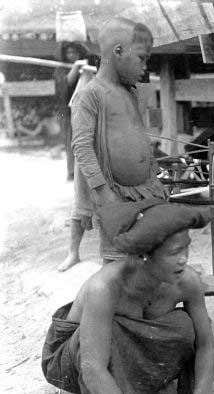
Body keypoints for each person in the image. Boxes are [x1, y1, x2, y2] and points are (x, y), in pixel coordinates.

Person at [43, 200, 214, 394]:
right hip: (75, 357)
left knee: (184, 325)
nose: (183, 260)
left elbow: (205, 344)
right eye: (173, 253)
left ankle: (140, 392)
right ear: (144, 256)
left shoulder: (187, 281)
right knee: (105, 332)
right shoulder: (104, 288)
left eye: (186, 249)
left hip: (126, 346)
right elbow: (92, 368)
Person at [58, 17, 168, 272]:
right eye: (142, 58)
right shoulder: (91, 95)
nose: (145, 67)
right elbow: (82, 146)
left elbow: (138, 135)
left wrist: (153, 175)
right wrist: (102, 191)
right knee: (118, 263)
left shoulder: (130, 92)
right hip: (114, 194)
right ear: (118, 52)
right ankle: (117, 307)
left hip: (143, 191)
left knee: (150, 252)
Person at [54, 41, 91, 181]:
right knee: (71, 142)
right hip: (68, 111)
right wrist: (76, 68)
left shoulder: (87, 65)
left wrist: (83, 67)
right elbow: (66, 84)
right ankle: (72, 172)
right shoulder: (60, 69)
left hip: (85, 110)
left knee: (87, 141)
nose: (71, 55)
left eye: (74, 52)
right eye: (69, 52)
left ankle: (87, 172)